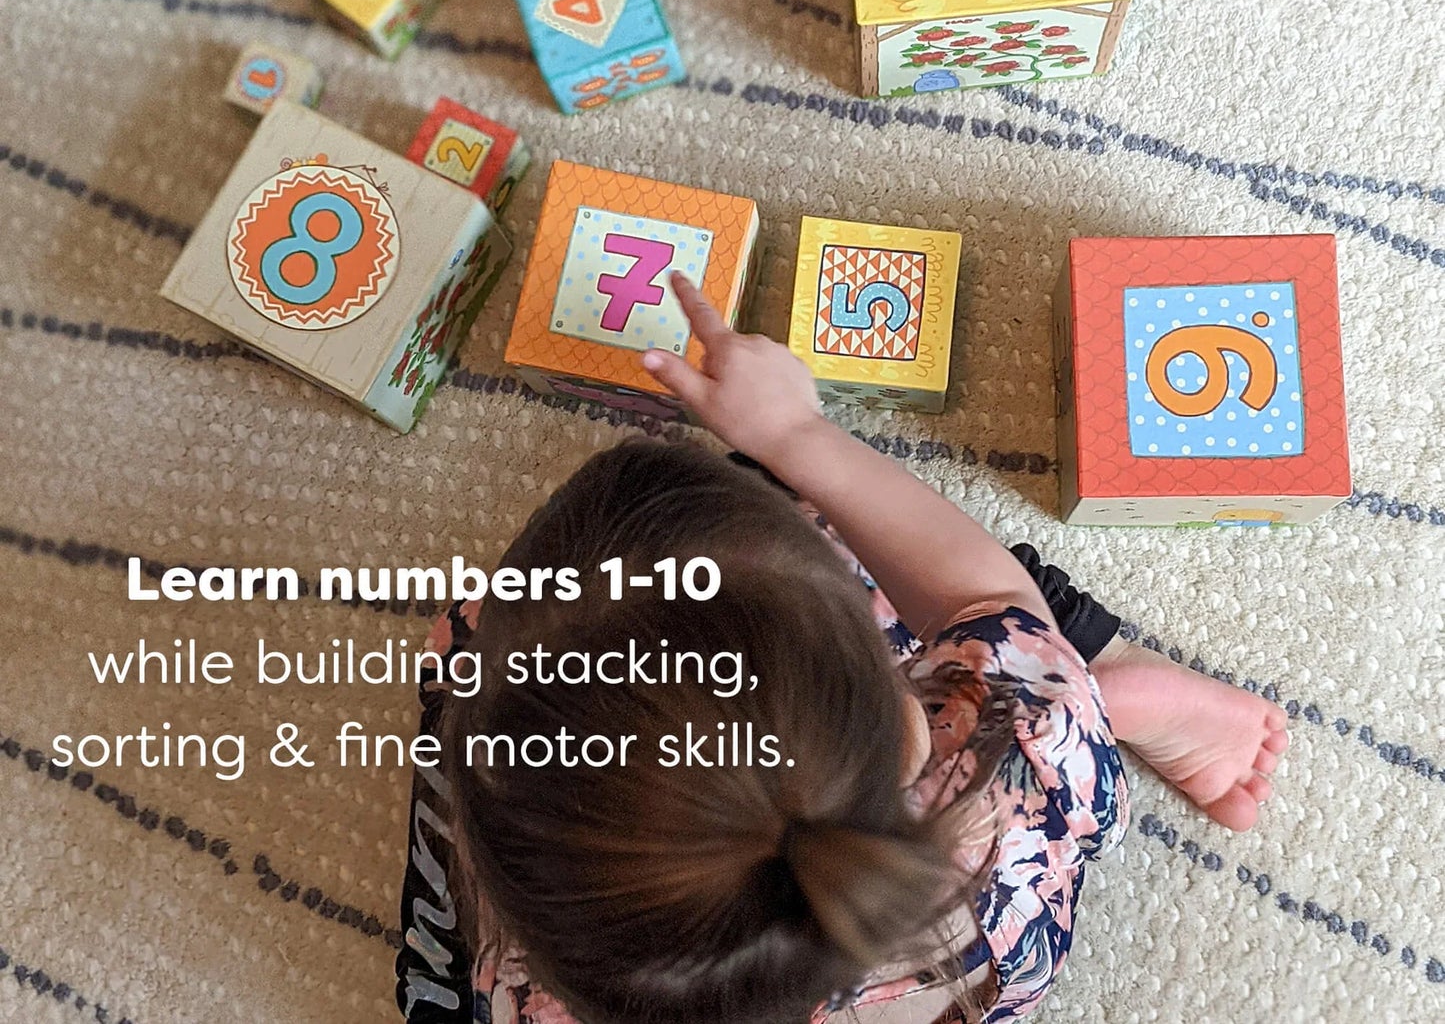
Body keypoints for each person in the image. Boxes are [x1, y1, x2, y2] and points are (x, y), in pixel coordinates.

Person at [397, 276, 1287, 1023]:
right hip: (994, 849)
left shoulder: (542, 963)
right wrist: (792, 435)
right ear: (911, 713)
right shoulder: (999, 801)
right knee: (1000, 634)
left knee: (474, 660)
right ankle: (1100, 683)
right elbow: (982, 597)